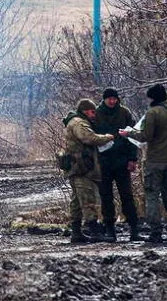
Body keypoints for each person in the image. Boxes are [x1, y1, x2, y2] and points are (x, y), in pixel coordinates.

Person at [119, 84, 167, 243]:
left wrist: (128, 133)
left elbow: (145, 136)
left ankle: (156, 232)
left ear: (153, 97)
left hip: (154, 160)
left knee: (152, 196)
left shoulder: (153, 113)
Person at [62, 99, 115, 243]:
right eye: (92, 112)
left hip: (76, 167)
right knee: (87, 199)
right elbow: (89, 138)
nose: (94, 115)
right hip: (82, 168)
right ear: (85, 111)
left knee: (77, 201)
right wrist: (107, 137)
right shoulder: (79, 123)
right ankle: (94, 230)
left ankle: (77, 232)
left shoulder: (73, 122)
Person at [94, 88, 142, 242]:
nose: (112, 101)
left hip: (122, 161)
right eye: (109, 99)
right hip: (104, 162)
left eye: (114, 98)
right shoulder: (97, 114)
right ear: (104, 99)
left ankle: (134, 228)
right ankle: (109, 229)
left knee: (127, 195)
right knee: (106, 196)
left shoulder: (124, 113)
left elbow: (133, 136)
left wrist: (132, 159)